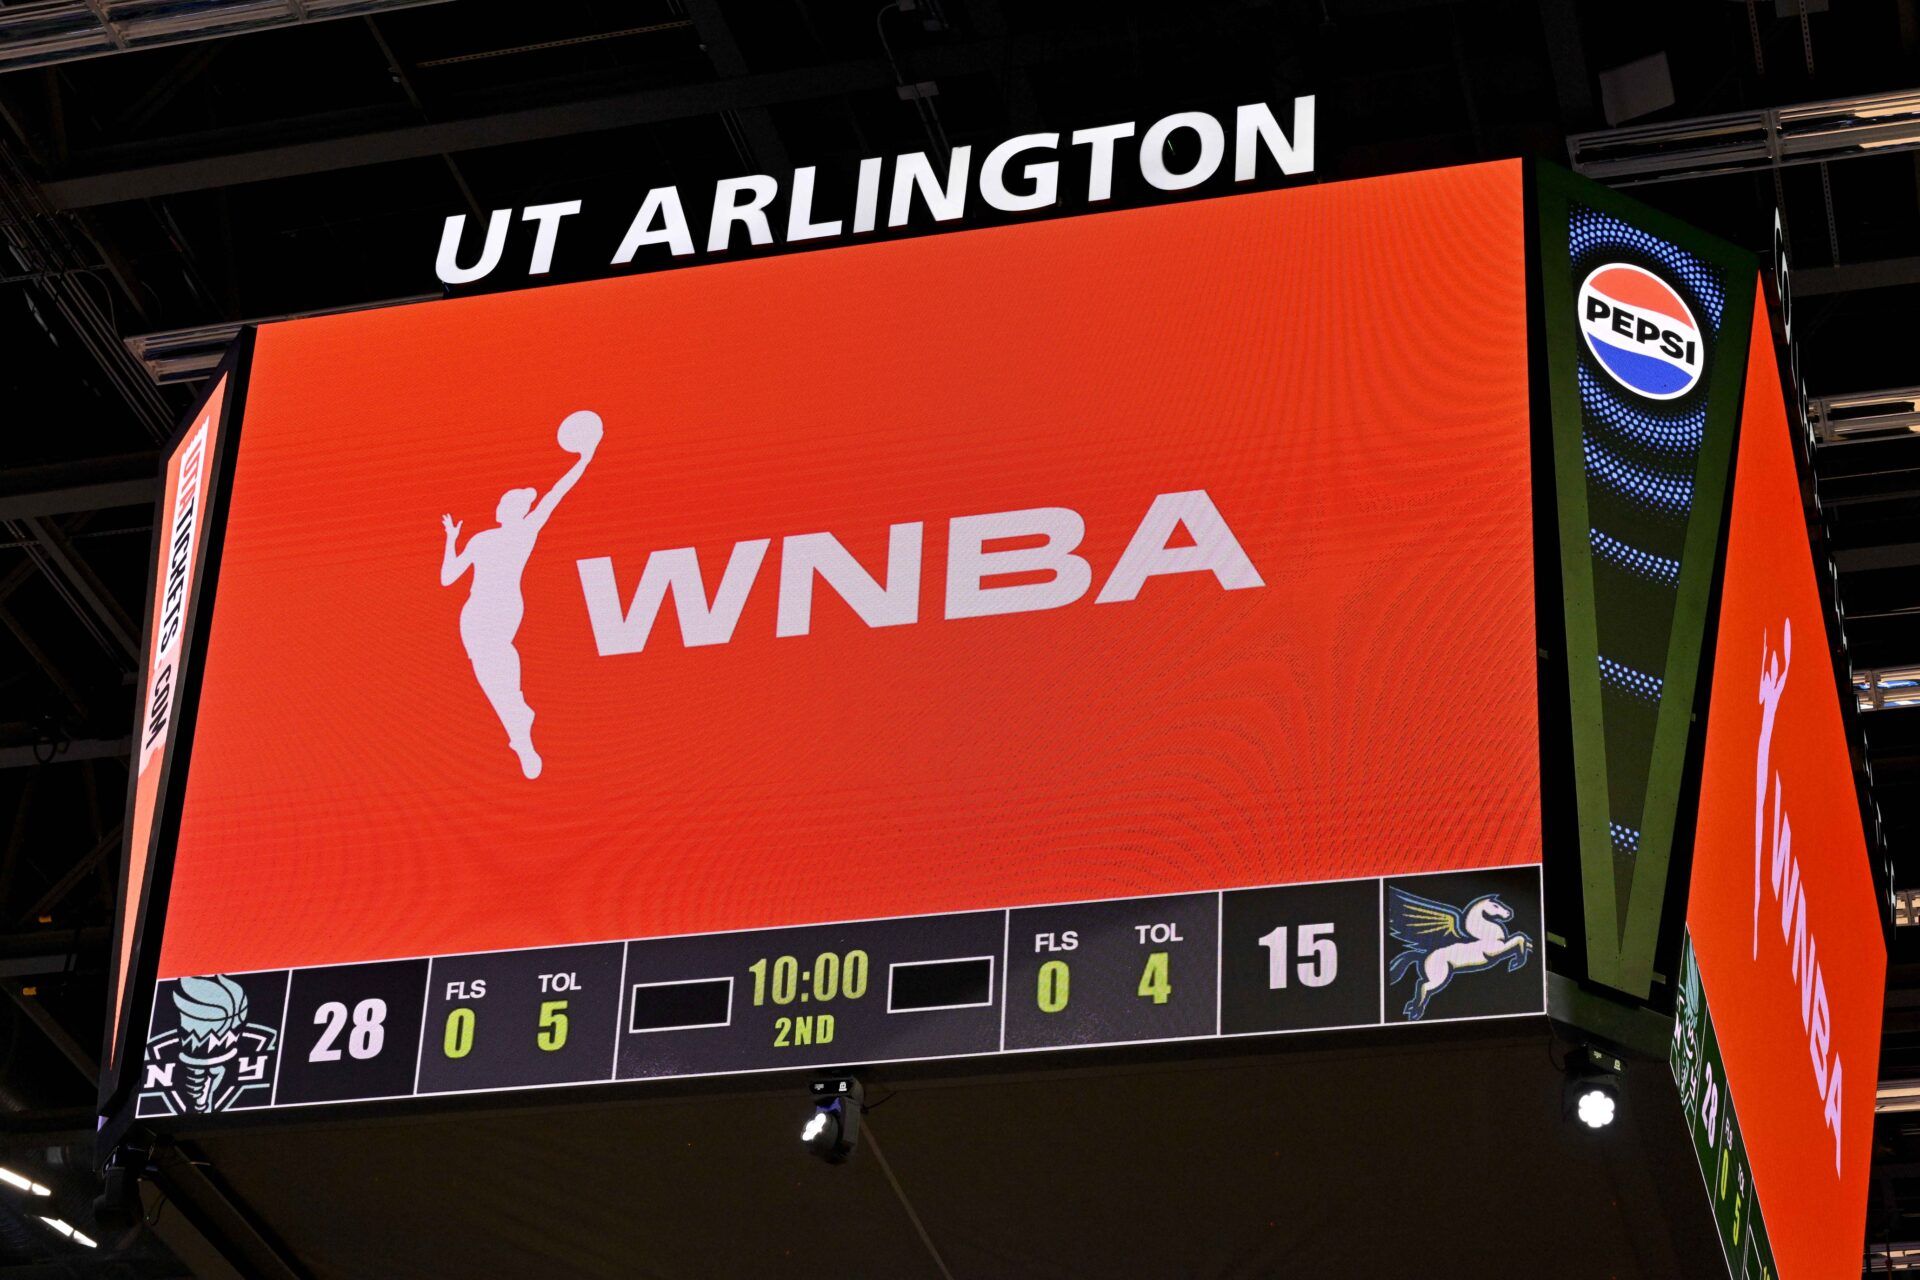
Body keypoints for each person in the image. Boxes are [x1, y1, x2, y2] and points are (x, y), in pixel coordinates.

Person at [440, 414, 600, 778]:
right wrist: (451, 539)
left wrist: (583, 461)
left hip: (493, 613)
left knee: (499, 677)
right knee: (495, 678)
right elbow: (448, 578)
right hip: (480, 615)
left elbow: (556, 494)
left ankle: (519, 726)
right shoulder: (496, 537)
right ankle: (519, 725)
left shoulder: (519, 533)